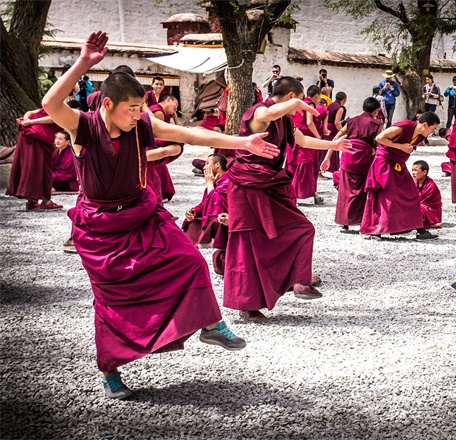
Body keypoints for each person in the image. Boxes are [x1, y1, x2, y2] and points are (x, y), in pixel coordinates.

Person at [41, 31, 282, 399]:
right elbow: (50, 103)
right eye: (130, 109)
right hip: (101, 228)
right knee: (112, 302)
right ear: (106, 105)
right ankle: (110, 370)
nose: (137, 115)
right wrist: (84, 63)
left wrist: (242, 142)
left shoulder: (142, 126)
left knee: (190, 260)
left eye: (140, 108)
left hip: (143, 213)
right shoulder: (83, 126)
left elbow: (192, 134)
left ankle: (211, 324)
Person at [224, 75, 352, 323]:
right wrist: (297, 105)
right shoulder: (259, 112)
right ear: (292, 98)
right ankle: (247, 304)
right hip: (247, 186)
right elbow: (268, 114)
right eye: (300, 100)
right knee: (250, 242)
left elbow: (302, 140)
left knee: (302, 228)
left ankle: (300, 281)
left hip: (269, 183)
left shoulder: (283, 118)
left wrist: (333, 147)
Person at [360, 112, 440, 241]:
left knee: (411, 194)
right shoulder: (403, 127)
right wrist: (400, 146)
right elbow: (379, 138)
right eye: (433, 128)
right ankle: (376, 230)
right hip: (385, 163)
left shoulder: (419, 135)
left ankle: (420, 230)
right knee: (386, 196)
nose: (433, 131)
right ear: (425, 125)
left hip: (398, 164)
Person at [323, 97, 382, 232]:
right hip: (364, 158)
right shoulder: (376, 124)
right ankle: (362, 220)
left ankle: (345, 222)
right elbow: (379, 145)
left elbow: (336, 138)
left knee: (346, 190)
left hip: (348, 157)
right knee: (361, 190)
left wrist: (328, 157)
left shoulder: (351, 121)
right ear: (376, 110)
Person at [5, 104, 79, 210]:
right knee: (42, 167)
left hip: (29, 133)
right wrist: (29, 121)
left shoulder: (51, 107)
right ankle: (45, 201)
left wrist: (26, 120)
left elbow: (30, 112)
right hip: (37, 135)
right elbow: (53, 119)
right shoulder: (61, 110)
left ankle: (32, 201)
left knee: (32, 166)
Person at [182, 154, 228, 248]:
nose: (204, 167)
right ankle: (204, 239)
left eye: (207, 163)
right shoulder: (215, 182)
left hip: (225, 218)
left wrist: (210, 184)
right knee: (193, 221)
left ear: (217, 165)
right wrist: (194, 211)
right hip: (214, 217)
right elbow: (204, 205)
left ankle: (211, 240)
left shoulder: (228, 181)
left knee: (216, 222)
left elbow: (217, 208)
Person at [290, 85, 325, 204]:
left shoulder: (300, 103)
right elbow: (309, 122)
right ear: (316, 96)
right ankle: (301, 193)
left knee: (297, 165)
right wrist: (317, 136)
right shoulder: (310, 105)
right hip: (306, 138)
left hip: (296, 136)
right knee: (306, 167)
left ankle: (296, 193)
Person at [148, 94, 183, 202]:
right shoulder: (158, 112)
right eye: (175, 106)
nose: (175, 110)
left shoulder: (163, 112)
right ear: (168, 99)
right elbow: (159, 133)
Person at [412, 160, 442, 229]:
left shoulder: (431, 186)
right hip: (418, 207)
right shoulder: (414, 183)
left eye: (416, 170)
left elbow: (425, 204)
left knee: (415, 211)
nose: (413, 173)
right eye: (412, 170)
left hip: (430, 212)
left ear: (424, 172)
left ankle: (430, 223)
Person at [324, 92, 348, 174]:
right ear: (344, 99)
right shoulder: (340, 108)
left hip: (326, 127)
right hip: (333, 129)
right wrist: (342, 132)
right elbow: (337, 122)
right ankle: (330, 168)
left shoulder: (330, 105)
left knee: (325, 148)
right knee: (333, 148)